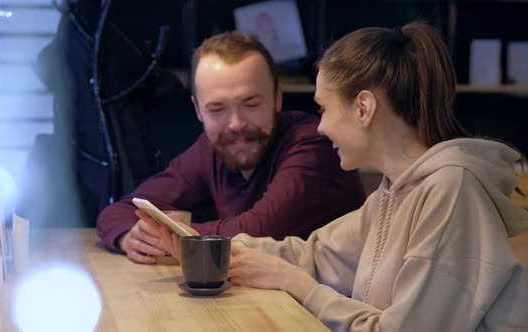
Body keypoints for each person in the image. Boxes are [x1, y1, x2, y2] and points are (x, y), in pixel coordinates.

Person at [150, 22, 528, 330]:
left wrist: (299, 286)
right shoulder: (393, 192)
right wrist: (198, 243)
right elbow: (315, 255)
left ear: (363, 107)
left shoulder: (450, 190)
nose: (321, 128)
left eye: (324, 109)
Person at [96, 31, 366, 264]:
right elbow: (119, 211)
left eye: (251, 105)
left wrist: (165, 233)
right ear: (198, 110)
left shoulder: (313, 145)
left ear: (277, 98)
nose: (236, 124)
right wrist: (128, 237)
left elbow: (258, 231)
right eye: (217, 109)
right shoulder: (212, 148)